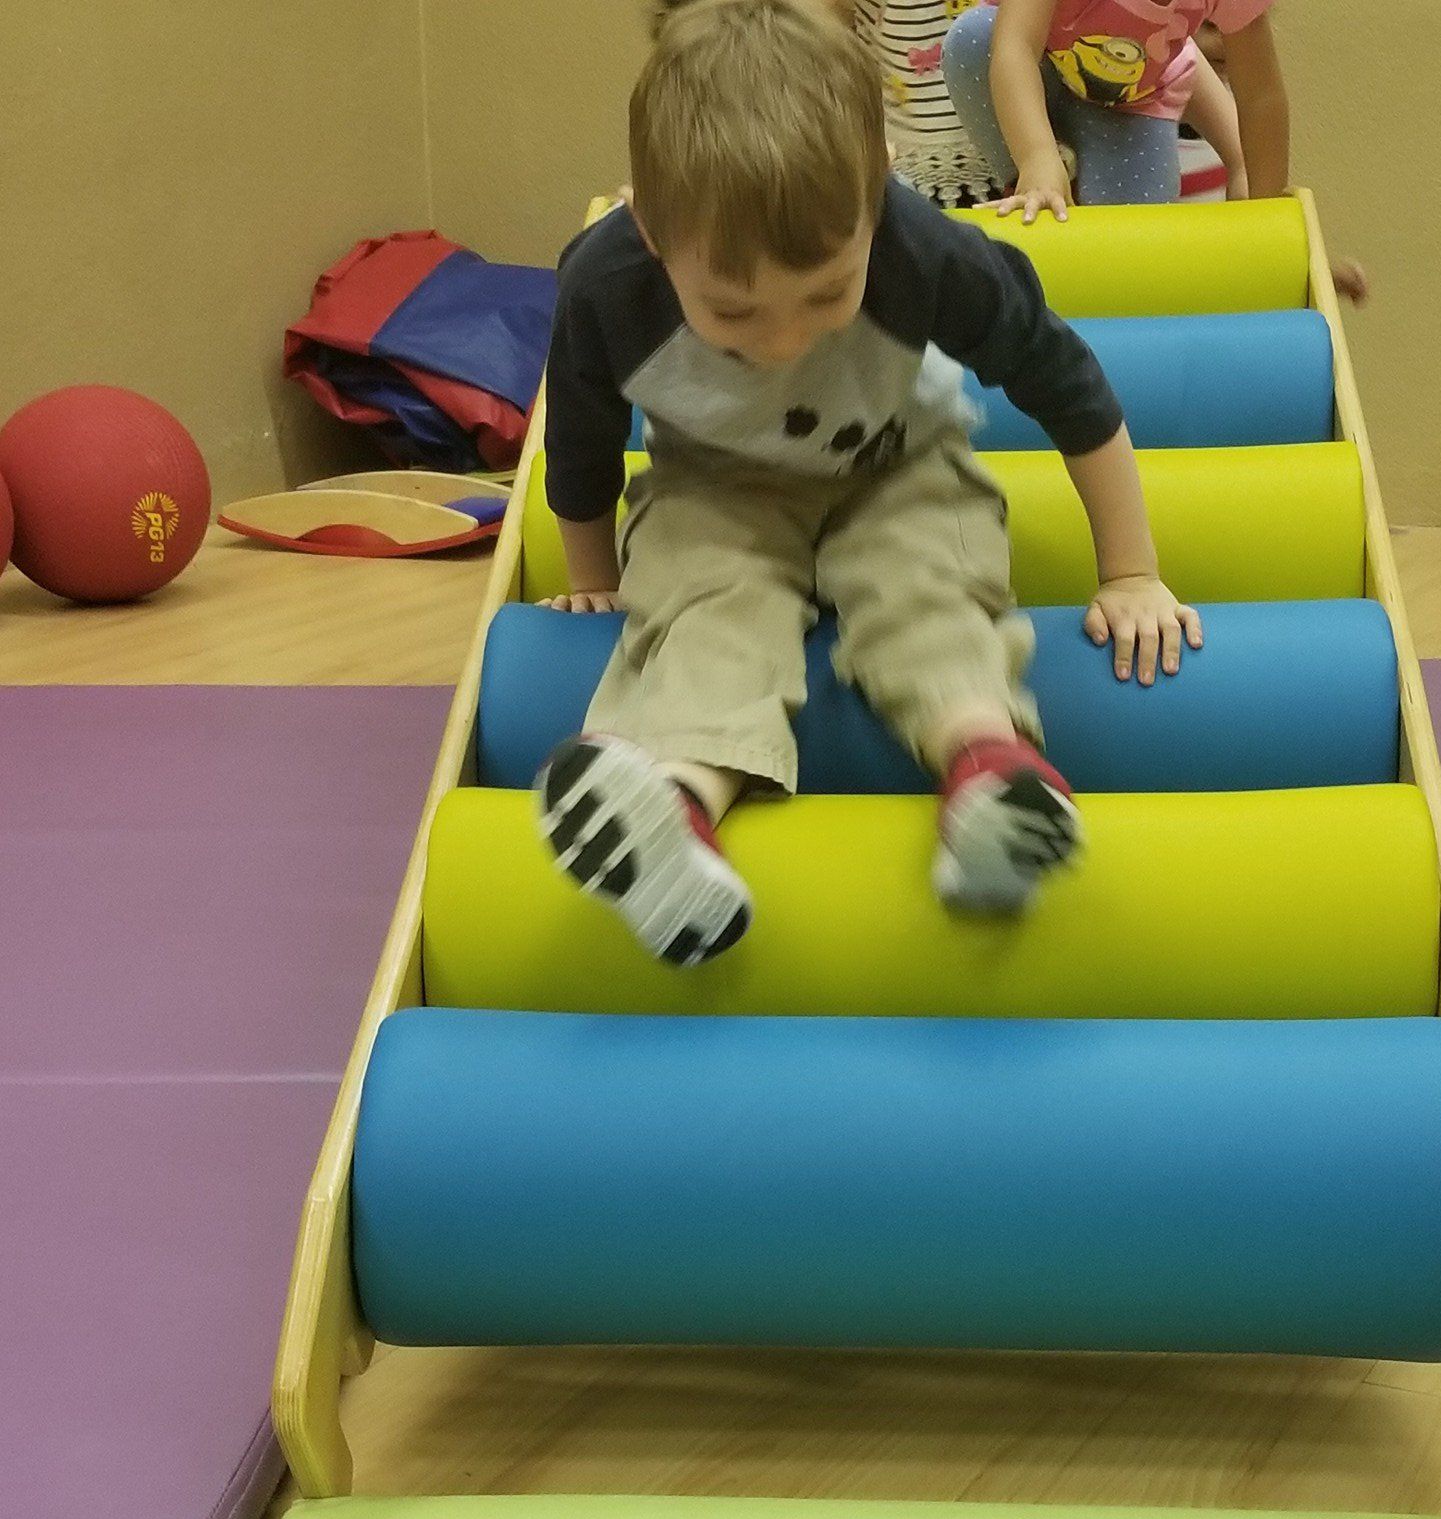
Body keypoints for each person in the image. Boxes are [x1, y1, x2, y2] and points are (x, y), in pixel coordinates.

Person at [537, 0, 1200, 968]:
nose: (785, 338)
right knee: (703, 604)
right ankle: (673, 809)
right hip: (717, 486)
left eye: (825, 295)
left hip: (898, 460)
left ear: (876, 190)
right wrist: (593, 573)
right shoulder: (604, 285)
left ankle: (988, 769)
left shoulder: (918, 245)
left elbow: (1066, 383)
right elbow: (581, 437)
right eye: (733, 311)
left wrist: (1131, 570)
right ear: (649, 228)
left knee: (924, 582)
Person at [940, 0, 1369, 300]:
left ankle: (1067, 178)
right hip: (1042, 70)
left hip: (1131, 109)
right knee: (972, 41)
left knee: (1127, 262)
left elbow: (1261, 97)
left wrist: (1268, 226)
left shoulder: (1182, 60)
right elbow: (1015, 45)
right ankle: (1048, 177)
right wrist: (1035, 159)